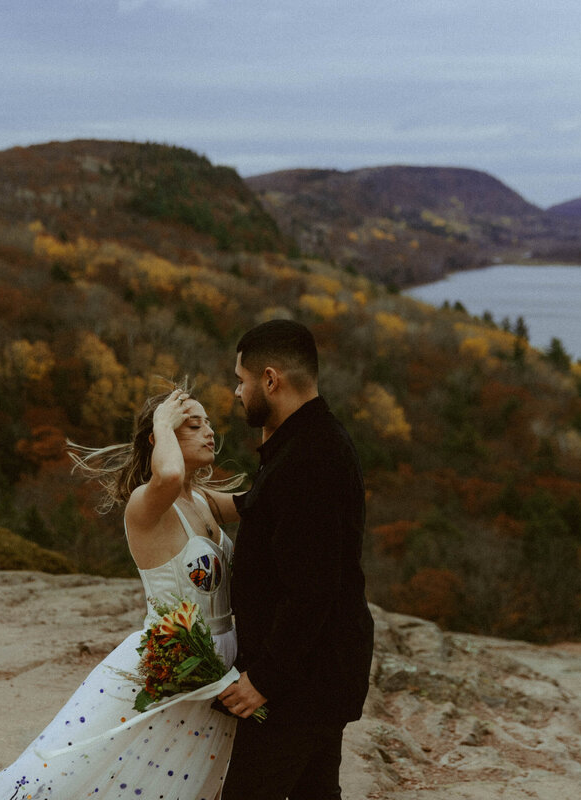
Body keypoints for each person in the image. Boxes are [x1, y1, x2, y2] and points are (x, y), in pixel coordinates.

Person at [0, 382, 244, 800]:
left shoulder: (204, 500)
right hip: (172, 664)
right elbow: (167, 473)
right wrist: (163, 422)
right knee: (102, 774)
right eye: (192, 425)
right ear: (161, 436)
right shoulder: (146, 503)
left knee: (183, 782)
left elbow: (265, 500)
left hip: (218, 666)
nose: (209, 433)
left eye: (208, 423)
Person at [217, 319, 374, 800]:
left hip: (303, 682)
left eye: (241, 380)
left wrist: (264, 679)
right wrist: (186, 497)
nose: (236, 391)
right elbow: (267, 508)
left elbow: (312, 588)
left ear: (270, 379)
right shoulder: (302, 441)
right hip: (319, 671)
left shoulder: (310, 459)